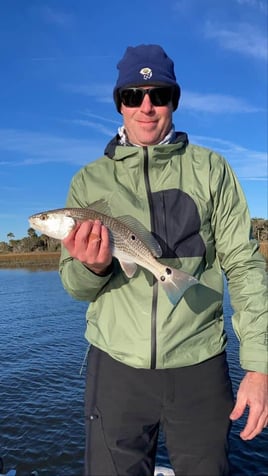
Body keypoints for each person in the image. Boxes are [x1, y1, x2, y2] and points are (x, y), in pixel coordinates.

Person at [59, 44, 268, 476]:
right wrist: (91, 266)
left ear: (174, 100)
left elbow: (246, 267)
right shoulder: (88, 181)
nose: (146, 107)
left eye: (159, 94)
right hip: (116, 367)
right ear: (120, 103)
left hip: (200, 363)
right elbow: (74, 287)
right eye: (133, 95)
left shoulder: (213, 169)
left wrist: (259, 366)